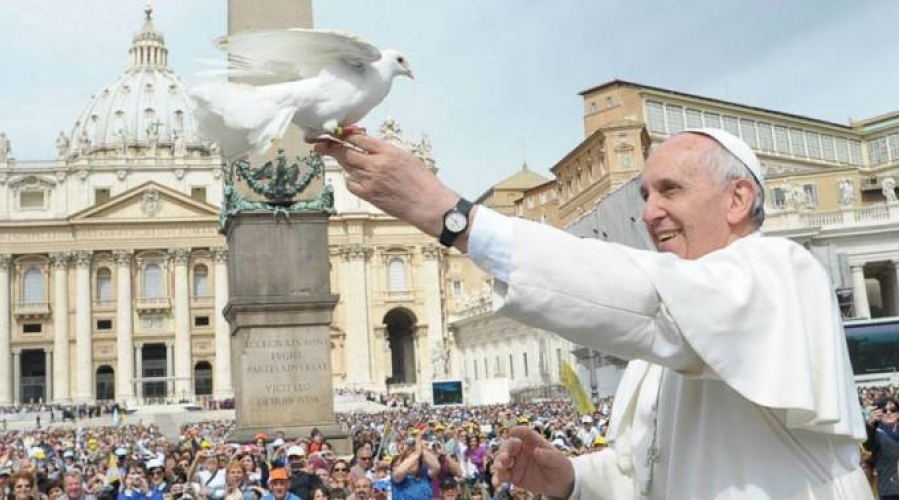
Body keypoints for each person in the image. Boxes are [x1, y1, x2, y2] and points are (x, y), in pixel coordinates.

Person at [315, 127, 870, 499]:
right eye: (646, 195)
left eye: (670, 190)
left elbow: (644, 296)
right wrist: (572, 477)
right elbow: (644, 470)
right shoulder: (662, 351)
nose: (650, 212)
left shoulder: (780, 271)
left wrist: (452, 217)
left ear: (738, 199)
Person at [865, 398, 899, 499]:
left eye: (893, 410)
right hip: (890, 489)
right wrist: (870, 425)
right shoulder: (877, 432)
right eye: (884, 410)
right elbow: (868, 445)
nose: (888, 413)